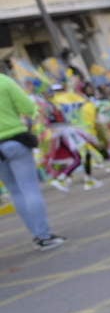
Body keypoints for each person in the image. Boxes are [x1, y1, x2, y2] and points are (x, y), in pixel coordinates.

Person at [0, 72, 64, 250]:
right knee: (29, 189)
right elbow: (28, 107)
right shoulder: (4, 81)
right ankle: (44, 235)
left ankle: (36, 235)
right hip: (15, 141)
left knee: (15, 192)